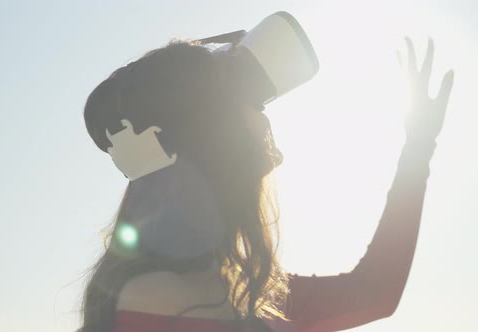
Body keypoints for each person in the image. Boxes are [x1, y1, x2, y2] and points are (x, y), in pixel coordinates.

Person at [79, 36, 454, 332]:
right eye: (247, 101)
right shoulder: (232, 299)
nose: (262, 117)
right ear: (212, 142)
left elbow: (375, 292)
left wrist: (418, 151)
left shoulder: (253, 293)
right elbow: (373, 293)